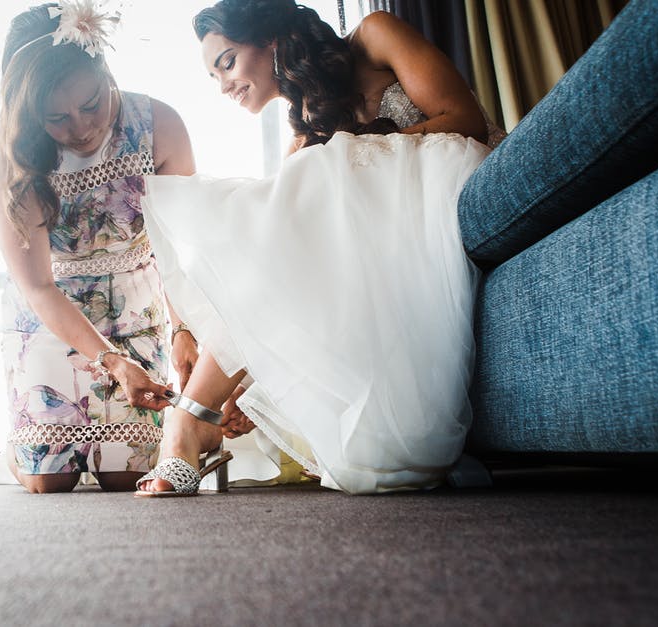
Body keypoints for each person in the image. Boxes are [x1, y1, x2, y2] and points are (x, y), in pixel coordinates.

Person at [134, 0, 493, 496]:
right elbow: (274, 267)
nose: (223, 85)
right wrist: (249, 382)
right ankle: (204, 411)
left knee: (306, 185)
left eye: (227, 62)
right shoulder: (306, 124)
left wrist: (347, 160)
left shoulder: (374, 35)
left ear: (271, 40)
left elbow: (464, 119)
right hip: (388, 235)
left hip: (448, 179)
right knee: (272, 220)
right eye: (213, 76)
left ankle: (189, 419)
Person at [0, 1, 199, 494]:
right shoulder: (10, 159)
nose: (80, 127)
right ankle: (15, 451)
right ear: (29, 112)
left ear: (105, 72)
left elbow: (177, 246)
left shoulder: (159, 124)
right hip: (49, 312)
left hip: (135, 306)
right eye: (56, 117)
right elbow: (36, 285)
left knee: (124, 478)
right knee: (47, 482)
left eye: (92, 104)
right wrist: (111, 363)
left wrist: (183, 330)